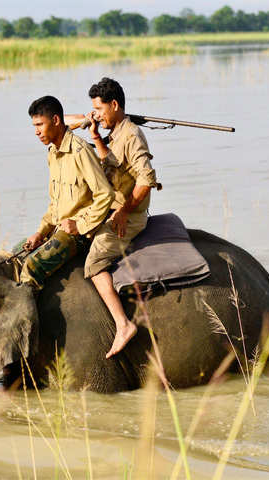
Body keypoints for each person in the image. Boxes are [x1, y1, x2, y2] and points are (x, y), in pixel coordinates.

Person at [84, 77, 159, 358]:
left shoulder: (132, 135)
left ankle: (123, 324)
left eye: (100, 109)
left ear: (114, 105)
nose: (97, 114)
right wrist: (94, 135)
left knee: (93, 263)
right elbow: (112, 165)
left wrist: (125, 211)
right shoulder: (115, 133)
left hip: (129, 215)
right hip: (112, 208)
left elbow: (146, 178)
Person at [19, 95, 114, 293]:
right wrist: (41, 231)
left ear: (55, 121)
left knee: (32, 267)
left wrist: (79, 226)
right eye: (34, 126)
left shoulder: (80, 151)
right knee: (18, 254)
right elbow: (55, 203)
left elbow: (105, 194)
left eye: (40, 125)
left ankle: (28, 323)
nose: (36, 132)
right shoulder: (53, 152)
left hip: (78, 234)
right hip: (58, 228)